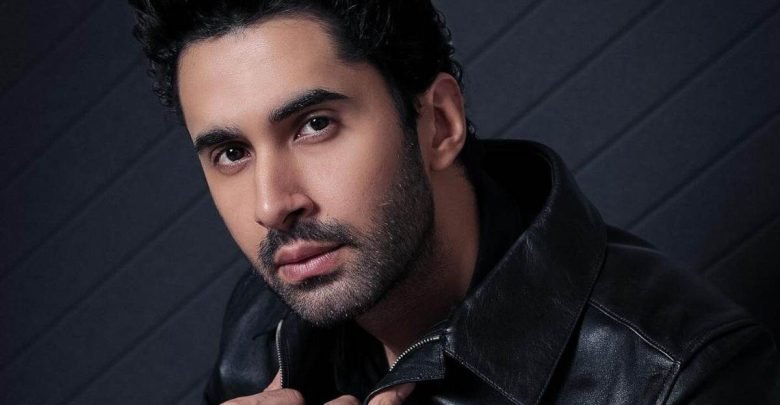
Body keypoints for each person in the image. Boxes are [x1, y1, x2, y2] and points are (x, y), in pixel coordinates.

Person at [128, 0, 780, 403]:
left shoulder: (680, 377)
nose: (272, 205)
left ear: (438, 122)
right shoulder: (262, 329)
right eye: (231, 153)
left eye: (315, 125)